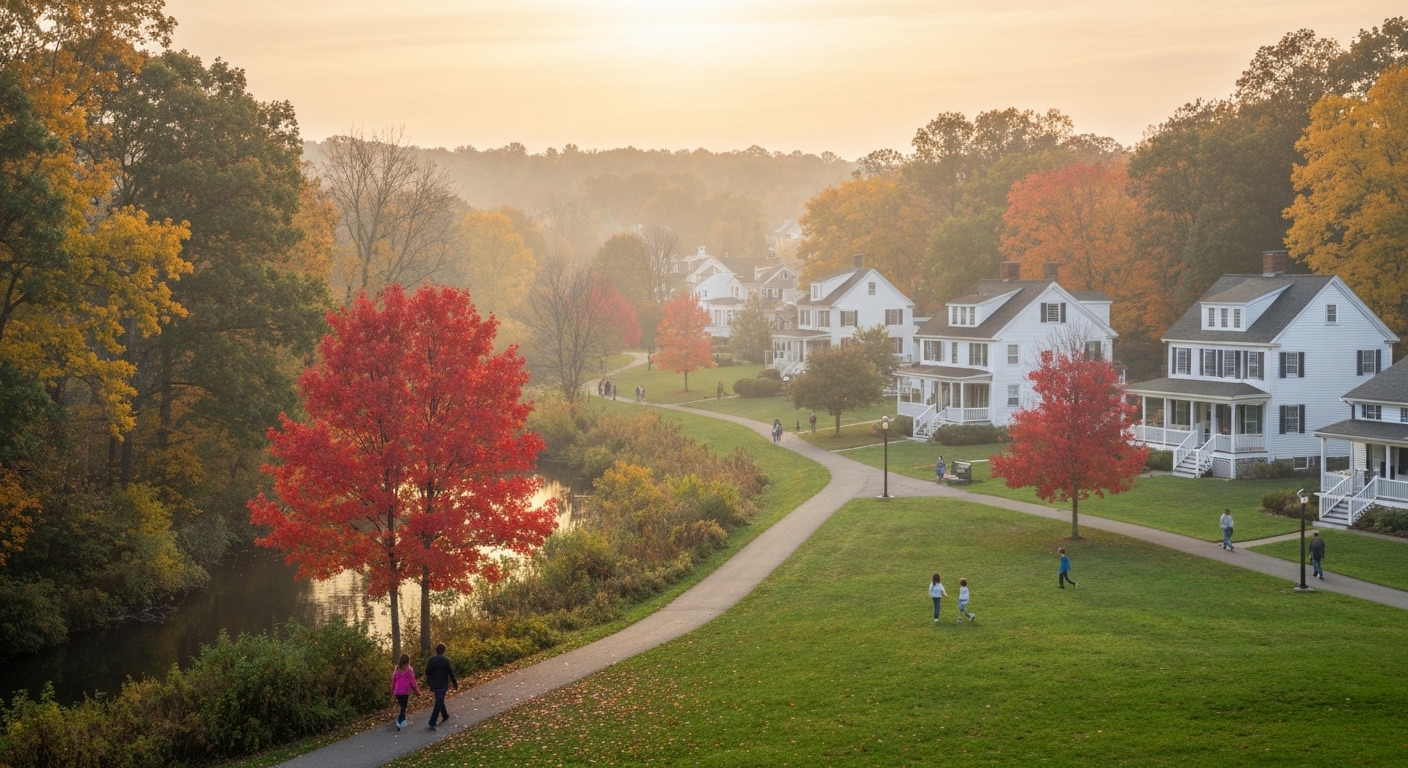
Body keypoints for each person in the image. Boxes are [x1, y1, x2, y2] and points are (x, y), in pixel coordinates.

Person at [424, 642, 459, 731]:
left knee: (439, 700)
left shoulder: (431, 660)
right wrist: (455, 683)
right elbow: (450, 673)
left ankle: (445, 715)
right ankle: (432, 722)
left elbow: (427, 672)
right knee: (438, 702)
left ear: (436, 650)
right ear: (444, 651)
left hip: (434, 684)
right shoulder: (445, 660)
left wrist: (429, 682)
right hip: (442, 684)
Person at [391, 653, 418, 731]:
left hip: (397, 692)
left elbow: (393, 681)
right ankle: (399, 721)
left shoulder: (397, 668)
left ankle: (403, 721)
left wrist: (392, 691)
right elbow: (413, 681)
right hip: (405, 691)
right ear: (408, 661)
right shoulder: (409, 669)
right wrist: (417, 690)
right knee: (403, 707)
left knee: (403, 706)